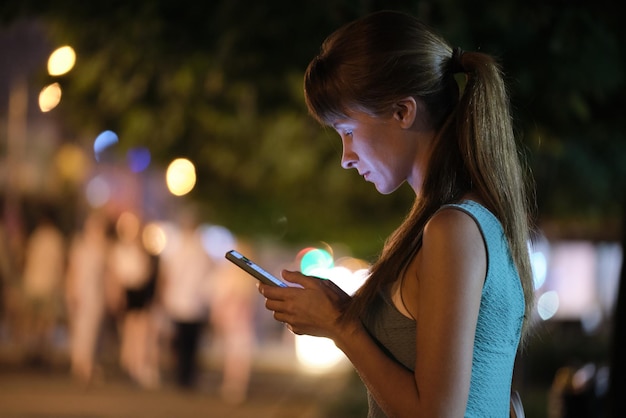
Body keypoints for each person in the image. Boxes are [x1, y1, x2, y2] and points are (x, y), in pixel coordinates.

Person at [258, 10, 534, 418]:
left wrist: (341, 327)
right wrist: (346, 310)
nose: (345, 158)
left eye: (348, 131)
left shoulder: (453, 228)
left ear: (403, 112)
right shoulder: (466, 223)